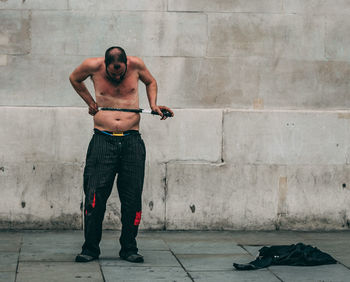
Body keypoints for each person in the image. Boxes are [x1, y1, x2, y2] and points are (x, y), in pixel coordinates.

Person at [69, 46, 174, 263]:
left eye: (120, 73)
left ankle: (129, 248)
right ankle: (90, 249)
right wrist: (90, 102)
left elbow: (151, 82)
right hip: (102, 139)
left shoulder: (136, 65)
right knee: (95, 198)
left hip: (131, 141)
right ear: (105, 65)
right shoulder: (92, 66)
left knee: (132, 199)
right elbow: (74, 78)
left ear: (126, 63)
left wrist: (153, 105)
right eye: (112, 73)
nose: (117, 77)